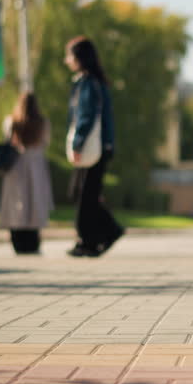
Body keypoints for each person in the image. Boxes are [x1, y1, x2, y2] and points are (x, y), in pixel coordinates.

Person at [64, 36, 124, 258]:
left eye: (69, 55)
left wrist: (78, 143)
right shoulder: (91, 82)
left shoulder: (88, 83)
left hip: (92, 147)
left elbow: (86, 116)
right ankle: (106, 232)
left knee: (85, 195)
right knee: (84, 193)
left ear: (80, 58)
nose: (66, 60)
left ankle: (91, 239)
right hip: (99, 146)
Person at [0, 92, 54, 254]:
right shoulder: (43, 123)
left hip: (17, 165)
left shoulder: (11, 122)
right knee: (34, 201)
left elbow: (7, 141)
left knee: (17, 203)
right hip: (35, 164)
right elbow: (45, 142)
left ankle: (18, 240)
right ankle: (33, 240)